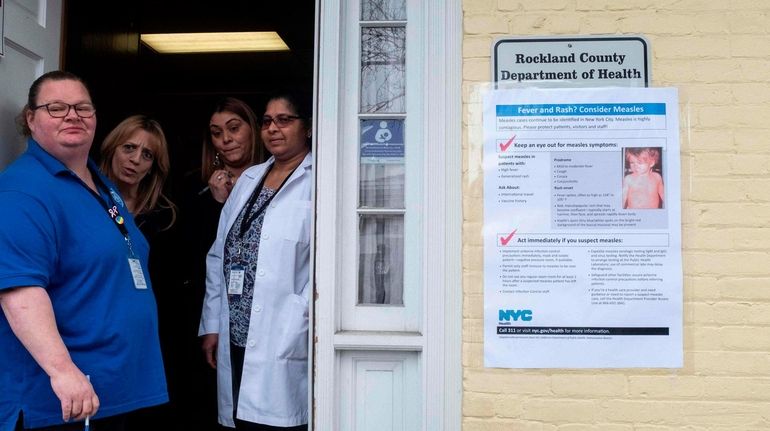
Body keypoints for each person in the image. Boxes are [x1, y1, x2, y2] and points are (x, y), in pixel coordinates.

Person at [0, 71, 167, 431]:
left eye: (82, 107)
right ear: (31, 119)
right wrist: (63, 372)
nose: (72, 116)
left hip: (117, 391)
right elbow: (19, 291)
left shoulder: (102, 185)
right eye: (56, 108)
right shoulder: (23, 190)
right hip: (63, 402)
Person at [199, 93, 312, 430]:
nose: (273, 128)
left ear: (306, 128)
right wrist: (212, 324)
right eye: (266, 121)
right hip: (235, 330)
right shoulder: (248, 180)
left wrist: (302, 315)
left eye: (284, 120)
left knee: (276, 422)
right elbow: (220, 253)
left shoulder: (318, 180)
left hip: (284, 329)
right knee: (239, 418)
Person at [175, 97, 265, 430]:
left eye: (233, 128)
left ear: (252, 131)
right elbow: (196, 253)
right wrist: (216, 204)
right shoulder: (195, 186)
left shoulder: (274, 179)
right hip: (206, 309)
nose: (225, 139)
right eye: (216, 132)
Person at [97, 115, 183, 429]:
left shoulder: (165, 216)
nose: (135, 160)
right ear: (111, 148)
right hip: (96, 333)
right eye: (129, 148)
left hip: (149, 336)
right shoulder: (85, 198)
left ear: (154, 166)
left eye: (147, 155)